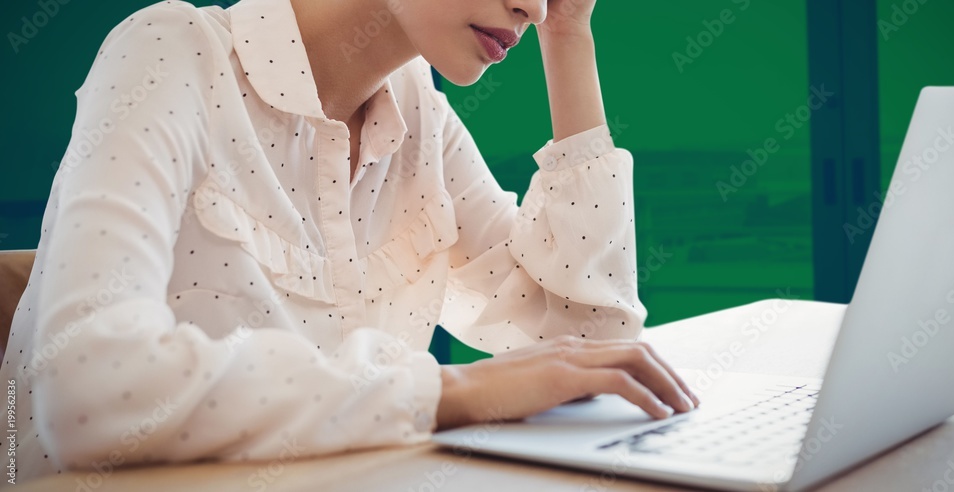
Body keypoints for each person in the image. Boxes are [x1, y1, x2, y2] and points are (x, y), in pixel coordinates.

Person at [0, 0, 699, 481]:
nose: (534, 6)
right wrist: (447, 392)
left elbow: (588, 343)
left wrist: (570, 37)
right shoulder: (170, 54)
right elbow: (89, 392)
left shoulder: (419, 115)